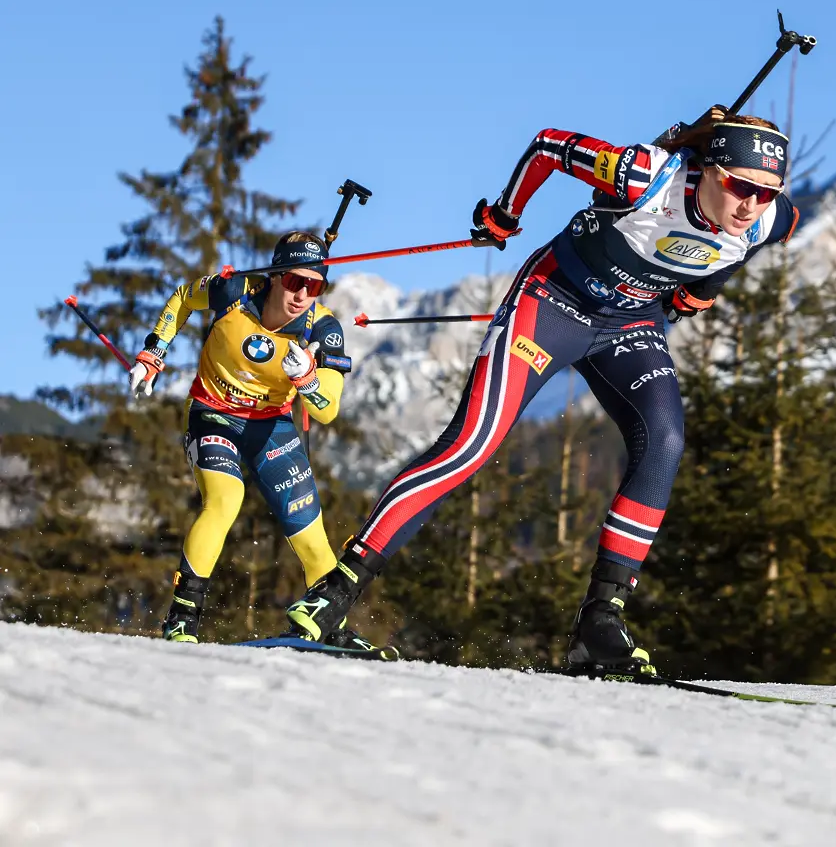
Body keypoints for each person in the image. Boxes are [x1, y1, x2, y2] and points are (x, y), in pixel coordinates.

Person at [284, 110, 799, 673]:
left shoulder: (773, 220)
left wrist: (698, 295)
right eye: (741, 186)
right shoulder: (645, 175)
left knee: (665, 443)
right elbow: (548, 146)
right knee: (472, 443)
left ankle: (600, 625)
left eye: (767, 192)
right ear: (708, 169)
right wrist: (506, 213)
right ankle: (334, 593)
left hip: (629, 324)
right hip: (551, 302)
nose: (752, 204)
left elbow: (731, 254)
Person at [129, 231, 373, 649]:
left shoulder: (323, 328)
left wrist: (308, 380)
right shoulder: (233, 290)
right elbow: (184, 297)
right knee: (225, 500)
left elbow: (327, 409)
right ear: (276, 276)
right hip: (213, 414)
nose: (302, 294)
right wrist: (154, 352)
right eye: (295, 281)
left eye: (314, 286)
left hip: (270, 424)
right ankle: (181, 619)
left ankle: (331, 626)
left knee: (312, 534)